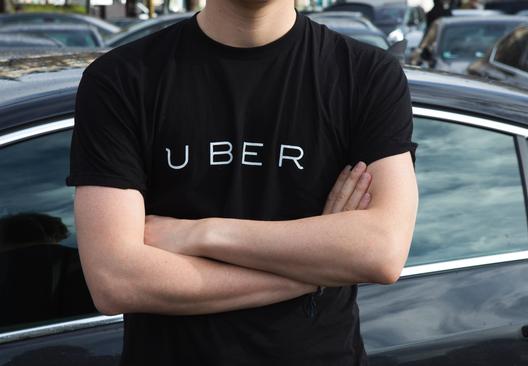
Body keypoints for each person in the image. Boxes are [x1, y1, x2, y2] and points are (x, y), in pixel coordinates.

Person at [65, 0, 419, 363]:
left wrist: (199, 234)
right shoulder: (121, 78)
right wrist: (317, 273)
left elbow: (382, 251)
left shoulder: (366, 75)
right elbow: (116, 280)